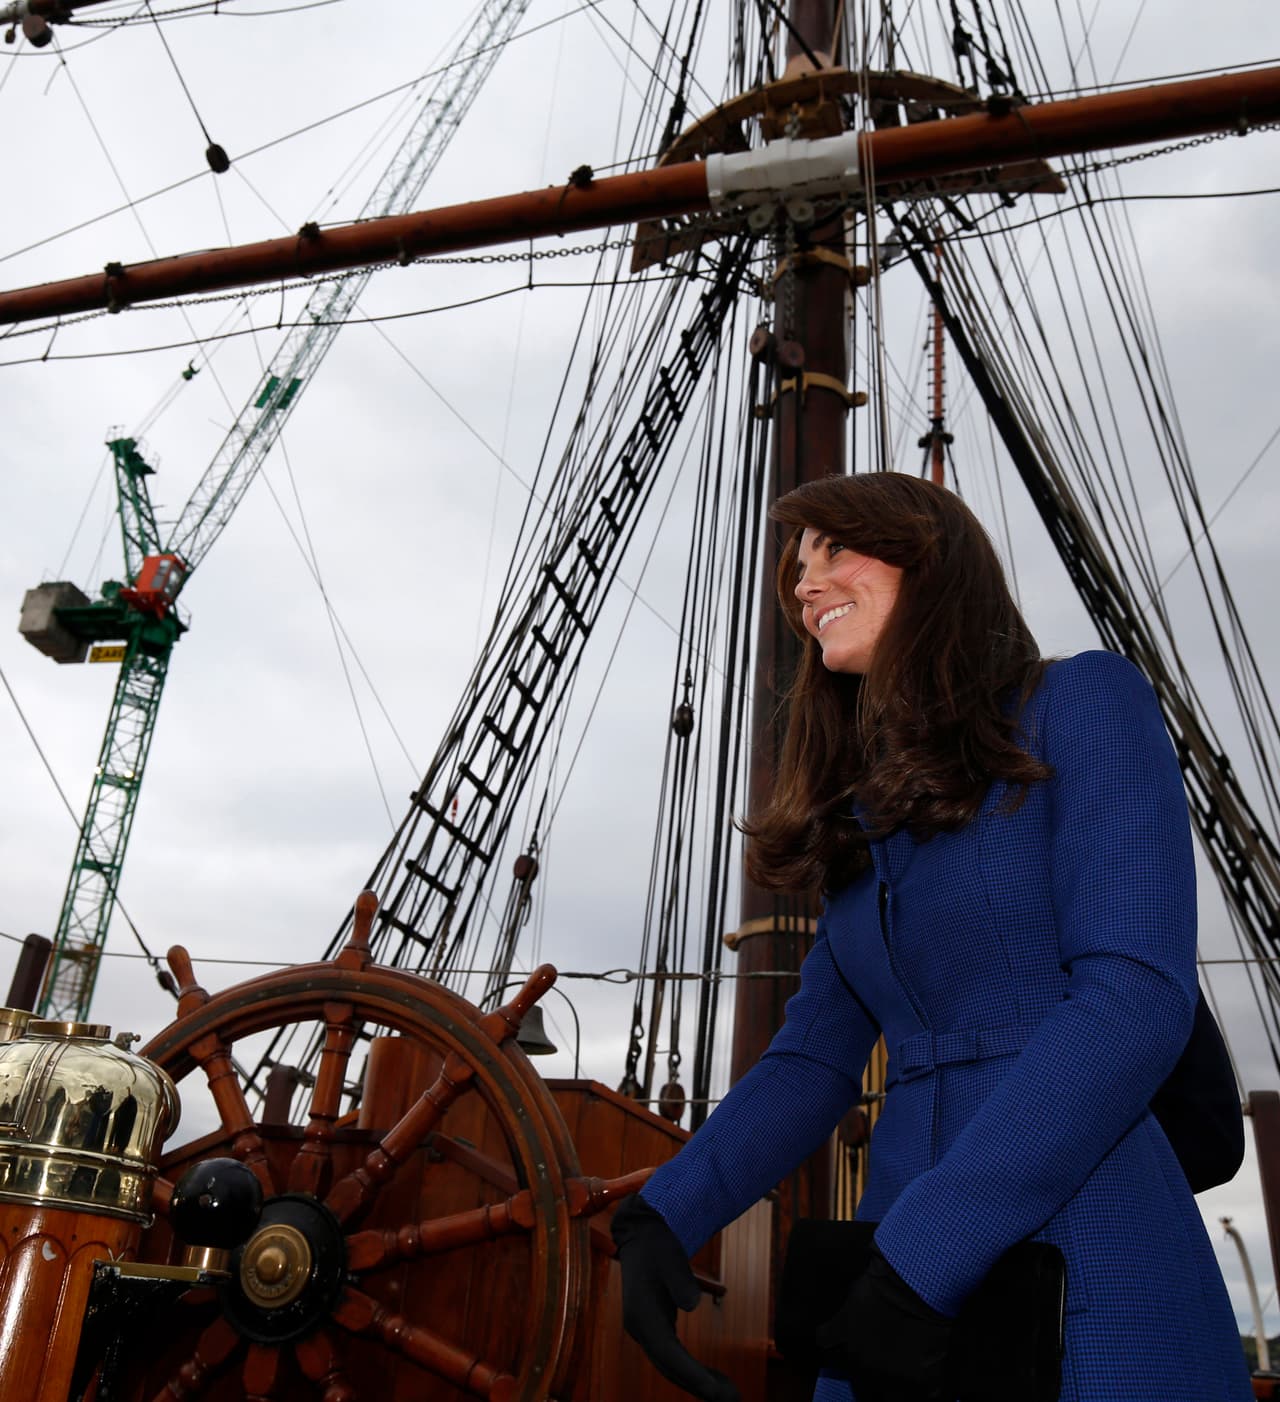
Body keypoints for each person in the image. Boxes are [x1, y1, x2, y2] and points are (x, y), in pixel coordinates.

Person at [610, 471, 1251, 1402]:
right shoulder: (866, 818)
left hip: (1083, 1251)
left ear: (931, 556)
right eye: (796, 569)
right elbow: (813, 1059)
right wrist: (666, 1213)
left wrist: (925, 1255)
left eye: (834, 548)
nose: (804, 585)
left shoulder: (1083, 702)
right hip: (889, 1274)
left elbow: (1132, 1001)